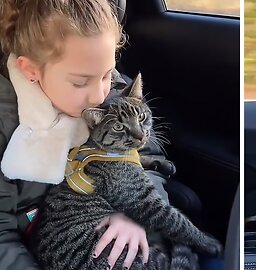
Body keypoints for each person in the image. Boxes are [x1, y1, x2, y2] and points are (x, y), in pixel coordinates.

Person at [0, 0, 172, 269]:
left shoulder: (110, 89)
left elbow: (147, 155)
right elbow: (2, 238)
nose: (99, 95)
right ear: (31, 70)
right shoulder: (6, 124)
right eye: (80, 82)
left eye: (106, 75)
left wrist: (136, 213)